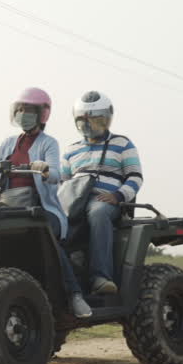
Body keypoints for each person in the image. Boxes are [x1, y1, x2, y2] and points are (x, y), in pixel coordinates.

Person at [0, 87, 92, 318]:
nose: (22, 114)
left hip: (42, 211)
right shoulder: (8, 143)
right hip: (9, 209)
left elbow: (56, 174)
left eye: (28, 110)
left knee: (47, 236)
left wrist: (44, 169)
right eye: (19, 109)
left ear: (41, 115)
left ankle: (75, 294)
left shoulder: (49, 144)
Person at [60, 91, 143, 295]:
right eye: (83, 121)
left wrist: (117, 196)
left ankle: (100, 277)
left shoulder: (123, 144)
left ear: (107, 119)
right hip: (74, 201)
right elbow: (63, 183)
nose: (90, 126)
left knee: (97, 212)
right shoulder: (71, 150)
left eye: (96, 121)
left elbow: (135, 177)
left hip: (106, 201)